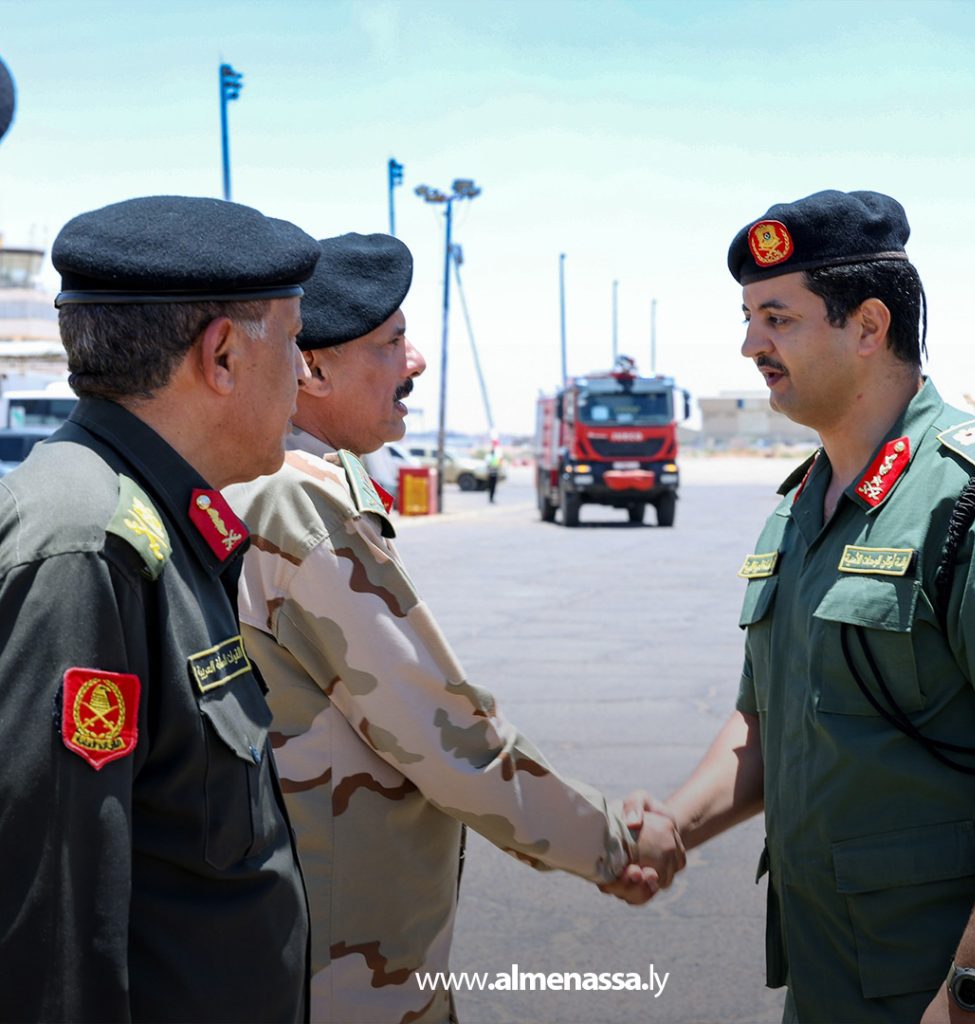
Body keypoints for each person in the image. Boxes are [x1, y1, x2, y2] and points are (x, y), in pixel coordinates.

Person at [224, 232, 684, 1024]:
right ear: (313, 369)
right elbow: (443, 735)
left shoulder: (270, 481)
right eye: (391, 342)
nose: (416, 363)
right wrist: (611, 843)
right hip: (338, 973)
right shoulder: (294, 500)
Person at [613, 190, 975, 1022]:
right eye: (748, 318)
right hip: (824, 973)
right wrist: (674, 826)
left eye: (777, 318)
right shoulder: (800, 505)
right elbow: (765, 723)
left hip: (942, 983)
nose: (749, 345)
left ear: (868, 327)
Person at [0, 195, 321, 1022]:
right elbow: (54, 930)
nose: (304, 372)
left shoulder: (151, 518)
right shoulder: (89, 544)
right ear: (222, 356)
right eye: (293, 341)